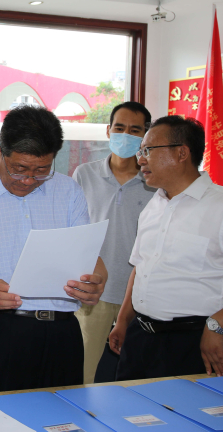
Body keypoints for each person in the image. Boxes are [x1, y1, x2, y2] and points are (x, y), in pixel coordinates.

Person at [0, 105, 107, 394]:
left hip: (60, 333)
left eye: (41, 171)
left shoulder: (68, 192)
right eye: (19, 169)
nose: (28, 180)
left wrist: (96, 280)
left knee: (62, 413)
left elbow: (89, 255)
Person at [110, 116, 223, 380]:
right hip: (140, 338)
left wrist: (217, 325)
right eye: (141, 151)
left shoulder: (218, 206)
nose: (140, 160)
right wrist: (123, 321)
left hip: (195, 341)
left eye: (148, 150)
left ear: (182, 153)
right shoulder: (154, 205)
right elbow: (141, 267)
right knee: (129, 404)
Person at [72, 102, 155, 384]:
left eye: (135, 130)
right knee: (84, 376)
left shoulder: (154, 181)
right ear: (108, 130)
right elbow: (74, 231)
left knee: (133, 378)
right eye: (120, 128)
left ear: (145, 136)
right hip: (93, 294)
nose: (125, 136)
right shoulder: (84, 174)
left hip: (139, 298)